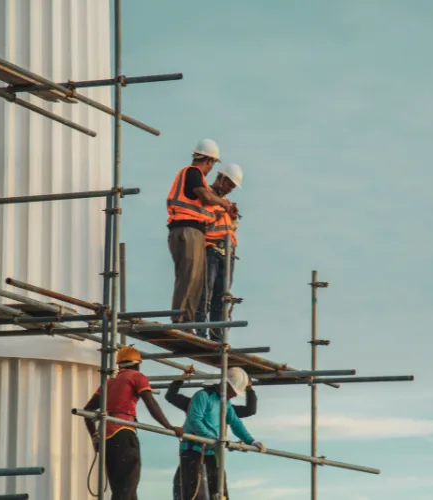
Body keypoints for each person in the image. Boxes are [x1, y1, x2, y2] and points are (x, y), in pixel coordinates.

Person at [83, 346, 183, 500]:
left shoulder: (109, 382)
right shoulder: (137, 376)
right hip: (124, 433)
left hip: (107, 438)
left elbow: (87, 411)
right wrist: (169, 427)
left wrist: (95, 438)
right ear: (137, 364)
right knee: (127, 485)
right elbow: (151, 404)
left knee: (122, 488)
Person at [166, 139, 238, 328]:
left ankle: (187, 321)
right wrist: (222, 203)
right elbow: (206, 197)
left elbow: (203, 209)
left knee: (196, 279)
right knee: (188, 275)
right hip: (185, 230)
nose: (211, 168)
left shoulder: (199, 180)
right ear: (208, 160)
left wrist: (221, 213)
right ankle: (179, 318)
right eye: (212, 164)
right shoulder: (192, 172)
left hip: (194, 232)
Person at [177, 367, 265, 499]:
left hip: (212, 452)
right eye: (234, 391)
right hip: (193, 452)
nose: (235, 395)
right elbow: (195, 420)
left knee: (219, 493)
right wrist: (211, 439)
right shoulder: (203, 396)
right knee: (194, 494)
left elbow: (235, 423)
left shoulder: (226, 404)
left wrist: (251, 441)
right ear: (226, 384)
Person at [194, 163, 243, 340]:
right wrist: (220, 214)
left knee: (221, 297)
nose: (230, 189)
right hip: (211, 249)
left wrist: (233, 217)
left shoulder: (226, 203)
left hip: (227, 253)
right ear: (220, 177)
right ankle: (200, 331)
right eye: (229, 184)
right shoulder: (206, 196)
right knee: (205, 293)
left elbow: (229, 228)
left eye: (232, 186)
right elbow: (201, 220)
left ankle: (216, 335)